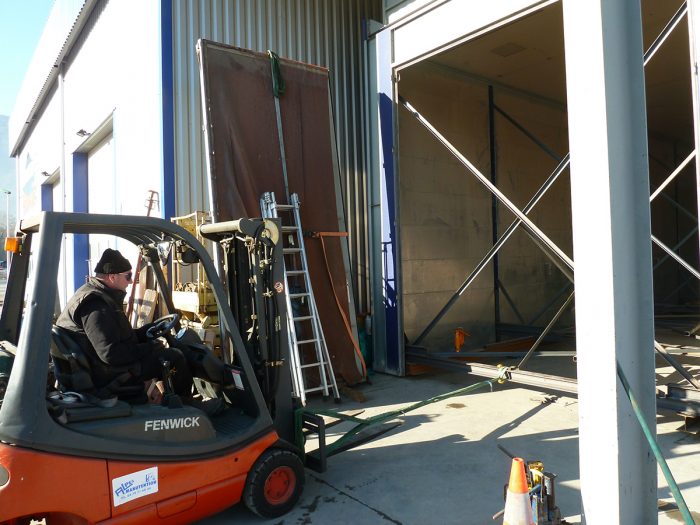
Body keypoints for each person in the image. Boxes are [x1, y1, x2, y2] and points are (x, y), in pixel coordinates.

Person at [56, 248, 193, 399]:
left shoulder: (98, 296)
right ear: (112, 277)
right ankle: (186, 407)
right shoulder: (96, 305)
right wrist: (149, 347)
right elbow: (111, 353)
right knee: (175, 358)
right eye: (128, 276)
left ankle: (168, 399)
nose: (131, 281)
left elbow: (115, 336)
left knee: (164, 355)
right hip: (109, 375)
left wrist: (145, 332)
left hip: (100, 367)